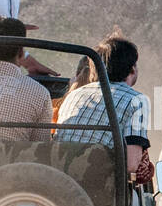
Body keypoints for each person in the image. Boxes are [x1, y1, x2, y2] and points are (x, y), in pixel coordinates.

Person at [56, 36, 152, 181]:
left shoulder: (74, 95)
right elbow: (131, 164)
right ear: (132, 68)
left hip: (57, 177)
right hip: (97, 185)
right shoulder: (137, 100)